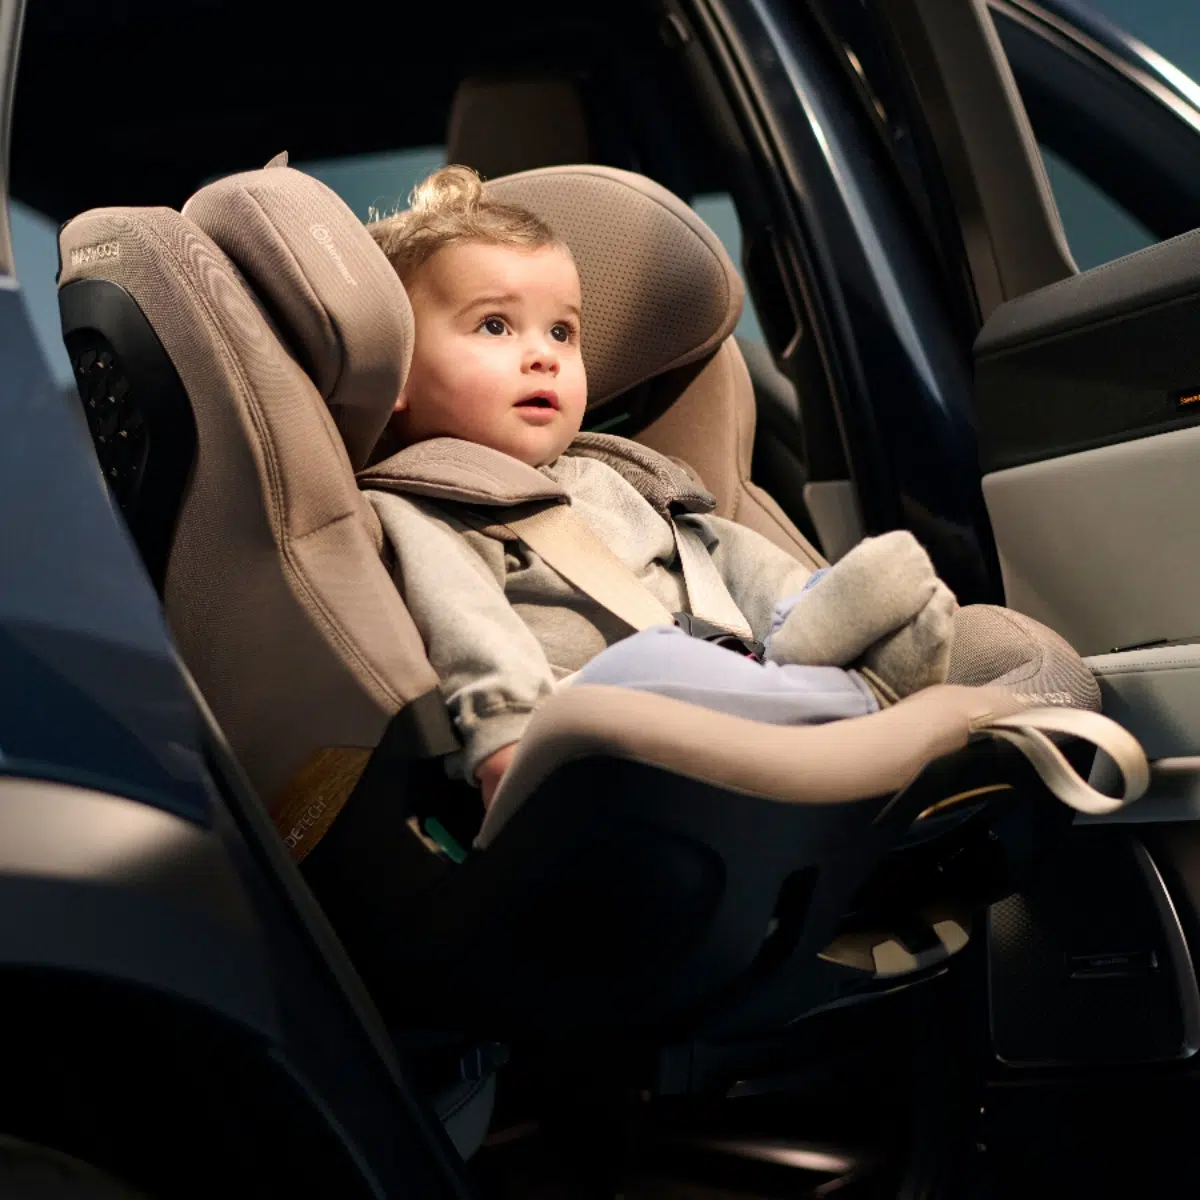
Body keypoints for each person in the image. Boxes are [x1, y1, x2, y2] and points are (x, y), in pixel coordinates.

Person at [363, 166, 955, 808]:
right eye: (495, 326)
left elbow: (715, 552)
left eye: (562, 332)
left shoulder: (612, 477)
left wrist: (807, 602)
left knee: (891, 577)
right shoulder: (423, 502)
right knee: (649, 663)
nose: (544, 356)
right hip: (587, 721)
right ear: (398, 372)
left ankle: (825, 669)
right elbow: (463, 616)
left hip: (728, 668)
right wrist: (508, 733)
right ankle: (856, 699)